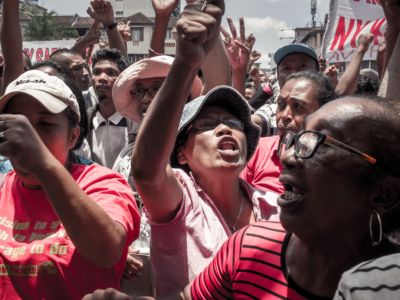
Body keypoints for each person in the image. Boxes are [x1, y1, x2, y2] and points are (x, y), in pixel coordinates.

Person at [182, 95, 400, 299]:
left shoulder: (388, 288)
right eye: (298, 139)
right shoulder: (250, 247)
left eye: (321, 143)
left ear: (383, 195)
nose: (287, 156)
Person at [132, 0, 279, 296]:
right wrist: (185, 63)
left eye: (234, 123)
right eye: (208, 125)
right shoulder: (180, 200)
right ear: (182, 153)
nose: (225, 128)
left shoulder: (275, 206)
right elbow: (147, 172)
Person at [0, 70, 140, 299]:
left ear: (73, 137)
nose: (27, 137)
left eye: (44, 124)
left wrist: (43, 164)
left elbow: (106, 250)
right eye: (17, 124)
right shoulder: (3, 187)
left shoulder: (102, 183)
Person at [241, 71, 336, 194]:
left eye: (298, 107)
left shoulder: (333, 163)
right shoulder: (257, 149)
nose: (285, 115)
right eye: (281, 104)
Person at [87, 48, 137, 169]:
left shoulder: (136, 120)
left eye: (111, 73)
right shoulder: (84, 120)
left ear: (122, 79)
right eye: (97, 72)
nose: (102, 78)